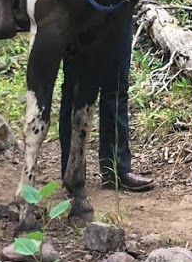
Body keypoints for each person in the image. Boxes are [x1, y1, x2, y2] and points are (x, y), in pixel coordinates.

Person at [58, 25, 153, 192]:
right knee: (75, 87)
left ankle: (116, 170)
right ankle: (71, 170)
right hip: (78, 11)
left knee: (117, 85)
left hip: (120, 6)